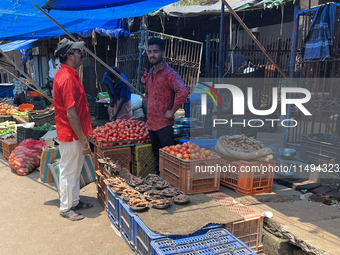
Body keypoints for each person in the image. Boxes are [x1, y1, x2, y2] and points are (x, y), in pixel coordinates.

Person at [53, 38, 93, 221]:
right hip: (70, 134)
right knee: (69, 169)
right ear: (69, 56)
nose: (81, 55)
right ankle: (65, 207)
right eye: (78, 52)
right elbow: (71, 115)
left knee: (75, 168)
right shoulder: (67, 78)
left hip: (74, 131)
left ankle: (74, 202)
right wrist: (84, 141)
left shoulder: (70, 74)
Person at [145, 38, 189, 176]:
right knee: (157, 156)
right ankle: (160, 182)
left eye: (156, 51)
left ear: (163, 53)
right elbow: (147, 93)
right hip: (151, 123)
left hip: (164, 125)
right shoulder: (150, 74)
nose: (152, 55)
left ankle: (171, 184)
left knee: (168, 157)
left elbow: (183, 91)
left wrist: (172, 111)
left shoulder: (170, 73)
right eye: (150, 52)